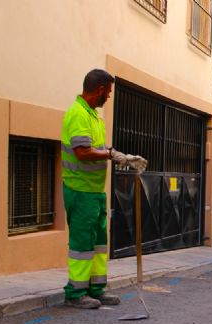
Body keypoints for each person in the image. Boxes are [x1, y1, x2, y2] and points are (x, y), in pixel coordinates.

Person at [61, 69, 147, 309]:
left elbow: (97, 147)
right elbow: (83, 152)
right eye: (108, 92)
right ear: (99, 89)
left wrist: (121, 156)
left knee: (99, 244)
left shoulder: (94, 117)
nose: (109, 96)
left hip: (95, 191)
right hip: (80, 191)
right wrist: (112, 155)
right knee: (82, 244)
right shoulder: (78, 114)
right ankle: (75, 294)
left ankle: (96, 289)